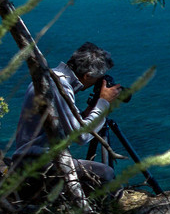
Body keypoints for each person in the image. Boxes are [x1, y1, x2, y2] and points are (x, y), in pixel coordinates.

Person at [3, 42, 120, 190]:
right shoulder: (59, 85)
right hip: (38, 162)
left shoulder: (51, 77)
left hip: (31, 157)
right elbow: (81, 136)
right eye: (98, 78)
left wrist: (93, 106)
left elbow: (67, 125)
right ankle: (94, 211)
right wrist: (103, 104)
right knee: (106, 173)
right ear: (87, 76)